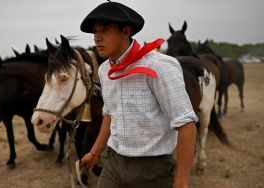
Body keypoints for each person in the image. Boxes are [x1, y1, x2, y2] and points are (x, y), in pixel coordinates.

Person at [79, 1, 198, 188]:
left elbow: (186, 124)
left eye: (105, 29)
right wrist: (94, 153)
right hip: (113, 163)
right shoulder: (104, 70)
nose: (97, 38)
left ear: (125, 32)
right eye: (95, 31)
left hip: (152, 169)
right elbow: (110, 113)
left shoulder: (158, 66)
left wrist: (181, 183)